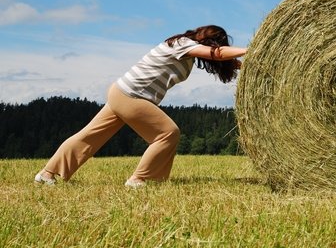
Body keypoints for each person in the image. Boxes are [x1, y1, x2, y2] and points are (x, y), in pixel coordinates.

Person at [34, 25, 247, 188]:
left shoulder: (187, 52)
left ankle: (46, 174)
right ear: (210, 41)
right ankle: (140, 179)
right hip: (131, 95)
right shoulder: (182, 44)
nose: (218, 48)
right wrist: (251, 49)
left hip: (123, 92)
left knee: (90, 135)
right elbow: (217, 54)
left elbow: (219, 58)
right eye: (218, 44)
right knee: (167, 133)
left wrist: (247, 62)